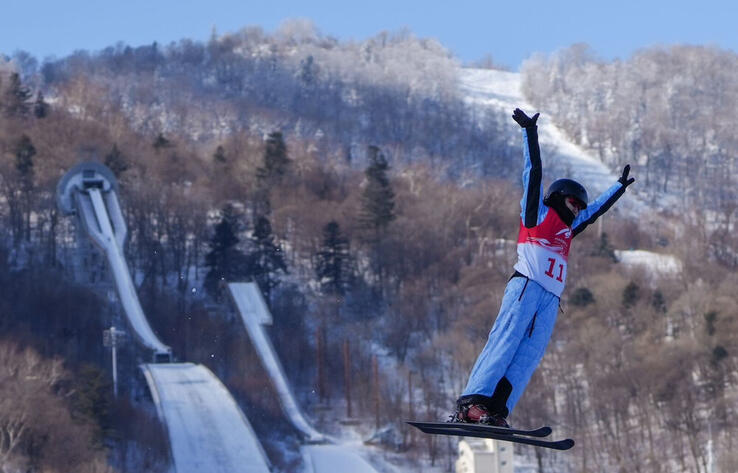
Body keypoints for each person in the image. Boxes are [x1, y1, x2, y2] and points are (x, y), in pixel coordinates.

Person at [450, 108, 635, 427]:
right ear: (558, 197)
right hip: (526, 287)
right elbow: (532, 173)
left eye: (578, 205)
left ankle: (495, 410)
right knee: (506, 340)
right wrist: (529, 133)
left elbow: (594, 213)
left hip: (550, 300)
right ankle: (472, 403)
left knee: (528, 356)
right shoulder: (537, 214)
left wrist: (618, 188)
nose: (576, 208)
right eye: (572, 202)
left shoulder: (568, 229)